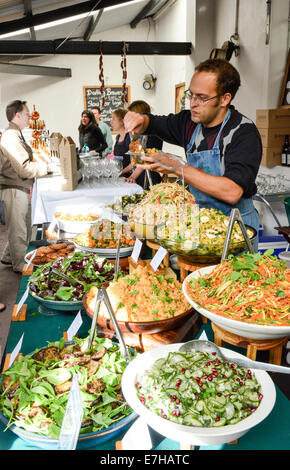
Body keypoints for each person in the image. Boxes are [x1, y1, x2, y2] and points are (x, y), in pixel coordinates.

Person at [124, 59, 262, 249]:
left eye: (202, 97)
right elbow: (153, 123)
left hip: (236, 231)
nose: (194, 104)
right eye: (191, 95)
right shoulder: (188, 123)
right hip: (199, 225)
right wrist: (139, 119)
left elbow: (232, 191)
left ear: (224, 99)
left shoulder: (243, 133)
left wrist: (178, 167)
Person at [0, 100, 48, 272]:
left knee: (21, 225)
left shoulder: (16, 134)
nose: (29, 117)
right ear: (17, 115)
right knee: (19, 228)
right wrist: (46, 168)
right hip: (13, 187)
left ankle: (8, 257)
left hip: (18, 186)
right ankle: (20, 265)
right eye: (27, 114)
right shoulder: (10, 136)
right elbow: (24, 168)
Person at [125, 100, 163, 187]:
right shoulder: (136, 134)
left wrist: (132, 177)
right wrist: (121, 173)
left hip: (149, 177)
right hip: (138, 176)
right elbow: (136, 159)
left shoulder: (153, 133)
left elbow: (146, 158)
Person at [110, 108, 132, 177]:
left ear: (122, 121)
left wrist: (121, 172)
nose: (111, 122)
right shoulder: (118, 137)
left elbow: (136, 161)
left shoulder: (130, 138)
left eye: (113, 119)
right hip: (120, 176)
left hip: (130, 177)